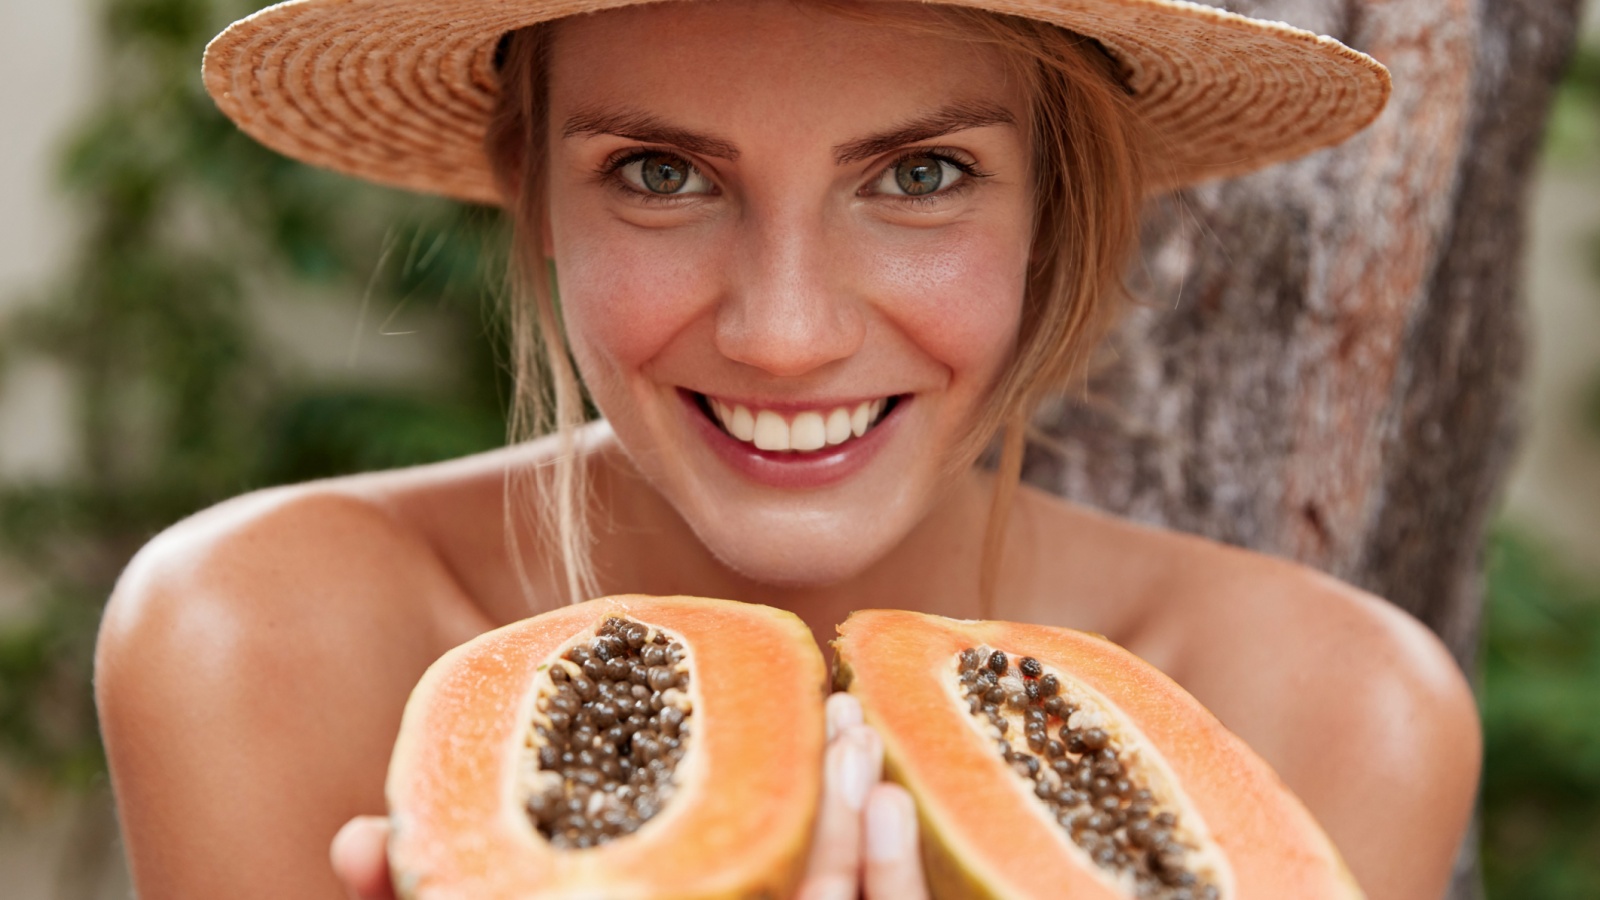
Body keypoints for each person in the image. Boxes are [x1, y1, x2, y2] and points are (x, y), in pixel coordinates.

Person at [93, 0, 1481, 898]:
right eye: (662, 173)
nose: (786, 334)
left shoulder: (1337, 712)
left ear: (1053, 205)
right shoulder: (259, 638)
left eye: (920, 176)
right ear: (535, 195)